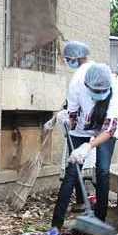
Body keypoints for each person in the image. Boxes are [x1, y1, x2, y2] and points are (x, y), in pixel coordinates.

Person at [51, 63, 118, 231]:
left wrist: (88, 147)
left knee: (102, 171)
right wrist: (66, 119)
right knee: (72, 172)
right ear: (87, 86)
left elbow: (109, 130)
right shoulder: (76, 87)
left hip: (103, 132)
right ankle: (56, 225)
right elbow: (72, 117)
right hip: (81, 130)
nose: (100, 94)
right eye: (95, 92)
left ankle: (99, 221)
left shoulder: (114, 91)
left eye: (103, 91)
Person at [44, 41, 93, 210]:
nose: (67, 62)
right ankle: (84, 204)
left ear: (74, 58)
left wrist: (67, 122)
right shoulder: (97, 70)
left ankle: (57, 220)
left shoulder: (77, 78)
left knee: (73, 170)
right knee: (89, 170)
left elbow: (72, 110)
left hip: (82, 129)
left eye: (67, 59)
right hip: (99, 128)